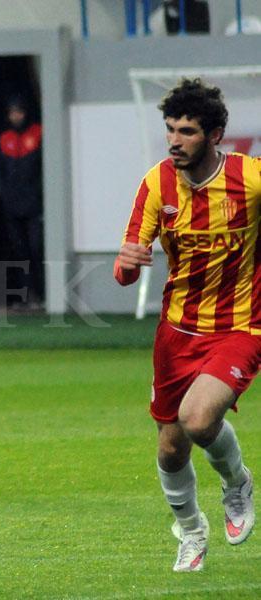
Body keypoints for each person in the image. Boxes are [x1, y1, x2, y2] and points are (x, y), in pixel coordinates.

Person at [114, 78, 260, 572]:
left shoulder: (251, 179)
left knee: (198, 420)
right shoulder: (157, 184)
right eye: (171, 130)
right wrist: (127, 262)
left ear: (214, 135)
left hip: (241, 326)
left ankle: (237, 483)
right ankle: (192, 530)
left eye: (187, 131)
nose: (175, 141)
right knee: (171, 447)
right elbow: (126, 268)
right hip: (177, 332)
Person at [0, 95, 43, 305]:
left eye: (19, 112)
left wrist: (39, 196)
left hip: (35, 205)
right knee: (19, 252)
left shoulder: (38, 133)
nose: (16, 117)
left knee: (37, 249)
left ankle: (42, 294)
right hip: (13, 206)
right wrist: (4, 196)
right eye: (13, 113)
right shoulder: (5, 139)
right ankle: (26, 295)